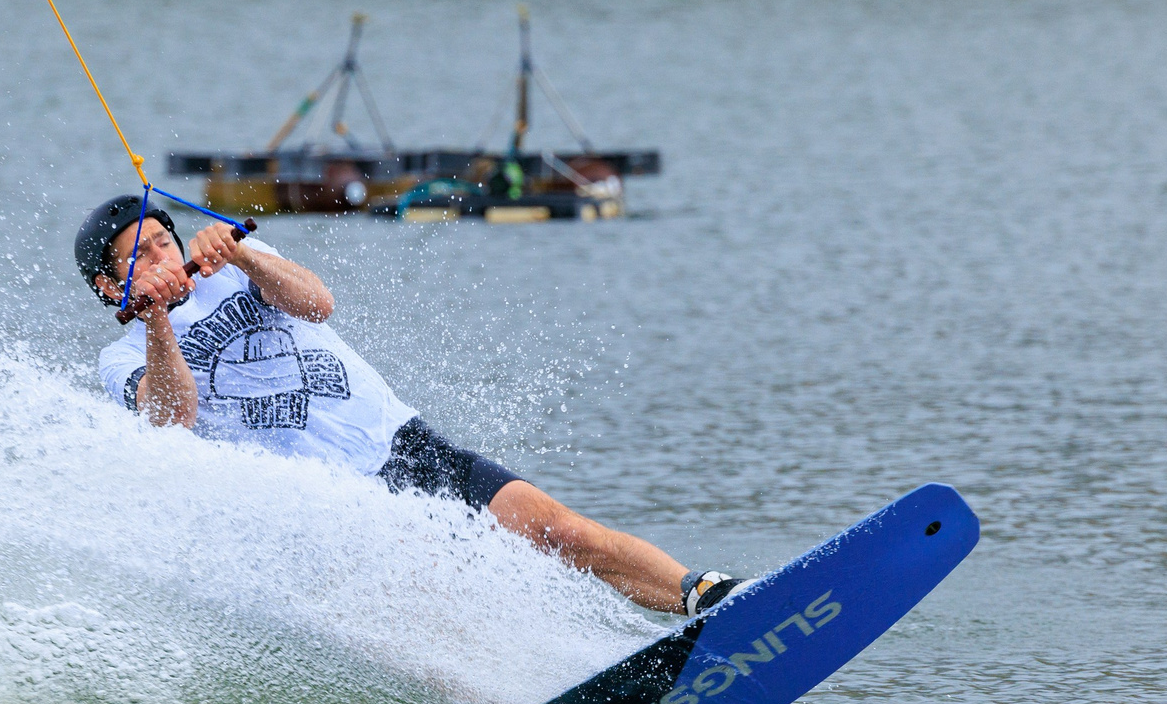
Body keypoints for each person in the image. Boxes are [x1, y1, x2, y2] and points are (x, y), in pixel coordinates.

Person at [77, 195, 738, 617]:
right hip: (328, 505)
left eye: (165, 240)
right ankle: (519, 696)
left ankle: (701, 596)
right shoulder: (123, 357)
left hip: (401, 442)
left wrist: (242, 252)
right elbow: (170, 419)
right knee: (432, 603)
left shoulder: (237, 265)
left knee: (560, 532)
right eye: (140, 256)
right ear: (110, 286)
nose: (161, 256)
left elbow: (317, 303)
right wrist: (160, 318)